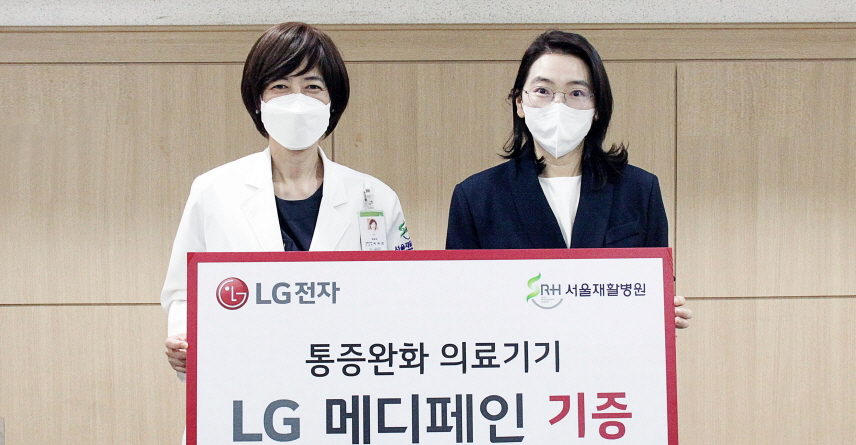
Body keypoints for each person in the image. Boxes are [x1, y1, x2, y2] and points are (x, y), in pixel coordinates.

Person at [162, 23, 413, 376]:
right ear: (258, 101)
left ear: (332, 103)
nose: (297, 101)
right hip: (245, 375)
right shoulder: (213, 190)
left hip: (346, 376)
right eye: (280, 86)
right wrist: (183, 341)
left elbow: (403, 296)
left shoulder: (375, 198)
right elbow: (184, 292)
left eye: (312, 87)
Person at [445, 30, 691, 328]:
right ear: (520, 103)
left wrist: (664, 311)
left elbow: (651, 291)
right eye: (542, 91)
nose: (557, 106)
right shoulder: (476, 197)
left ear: (597, 107)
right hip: (521, 352)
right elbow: (461, 304)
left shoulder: (639, 189)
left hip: (607, 351)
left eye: (576, 93)